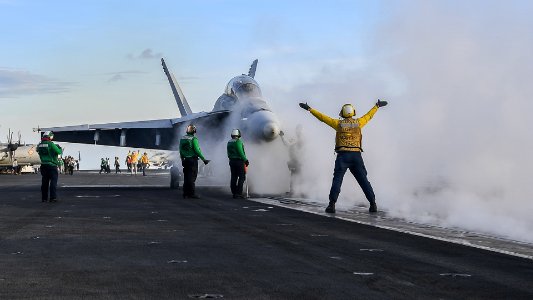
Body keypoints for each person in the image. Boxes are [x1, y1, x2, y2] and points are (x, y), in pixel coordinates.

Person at [299, 99, 388, 213]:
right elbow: (369, 116)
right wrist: (377, 106)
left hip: (343, 156)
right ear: (353, 112)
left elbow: (322, 117)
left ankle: (332, 205)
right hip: (356, 156)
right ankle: (373, 204)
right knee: (364, 181)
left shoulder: (338, 124)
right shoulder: (359, 123)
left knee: (337, 180)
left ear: (342, 113)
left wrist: (309, 109)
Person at [179, 124, 210, 198]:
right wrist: (204, 159)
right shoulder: (194, 139)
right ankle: (191, 193)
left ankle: (185, 193)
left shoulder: (182, 138)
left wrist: (182, 159)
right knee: (192, 177)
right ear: (194, 130)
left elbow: (180, 150)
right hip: (192, 160)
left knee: (186, 177)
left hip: (185, 160)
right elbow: (197, 150)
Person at [37, 131, 63, 202]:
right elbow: (59, 152)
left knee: (44, 182)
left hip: (43, 165)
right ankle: (52, 197)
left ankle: (44, 198)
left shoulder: (40, 144)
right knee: (53, 182)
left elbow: (37, 150)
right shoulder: (51, 144)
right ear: (50, 137)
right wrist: (59, 148)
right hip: (52, 165)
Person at [280, 124, 304, 195]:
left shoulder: (302, 140)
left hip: (299, 161)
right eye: (297, 130)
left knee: (298, 175)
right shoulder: (296, 139)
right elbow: (288, 144)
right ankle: (295, 190)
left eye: (299, 130)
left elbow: (288, 144)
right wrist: (282, 136)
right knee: (294, 175)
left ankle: (300, 191)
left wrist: (282, 136)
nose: (298, 132)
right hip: (295, 160)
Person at [226, 129, 249, 198]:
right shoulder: (238, 142)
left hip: (231, 161)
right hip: (239, 161)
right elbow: (241, 152)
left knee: (234, 177)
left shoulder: (229, 142)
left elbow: (228, 152)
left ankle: (234, 192)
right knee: (242, 177)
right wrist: (245, 160)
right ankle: (239, 193)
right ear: (239, 135)